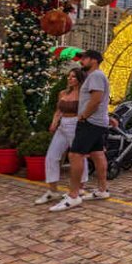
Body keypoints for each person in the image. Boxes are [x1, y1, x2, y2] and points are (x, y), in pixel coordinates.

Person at [50, 50, 112, 212]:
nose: (81, 61)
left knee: (75, 155)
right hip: (97, 122)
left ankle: (73, 195)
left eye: (84, 58)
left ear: (95, 60)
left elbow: (96, 99)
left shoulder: (96, 76)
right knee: (97, 154)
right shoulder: (94, 76)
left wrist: (83, 116)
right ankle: (102, 190)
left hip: (90, 122)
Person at [35, 69, 89, 205]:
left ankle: (81, 188)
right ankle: (53, 190)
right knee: (51, 156)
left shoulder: (84, 94)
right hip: (62, 125)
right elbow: (58, 110)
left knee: (78, 157)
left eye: (73, 77)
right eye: (69, 76)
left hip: (76, 124)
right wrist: (54, 123)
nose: (69, 79)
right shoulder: (63, 93)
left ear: (79, 79)